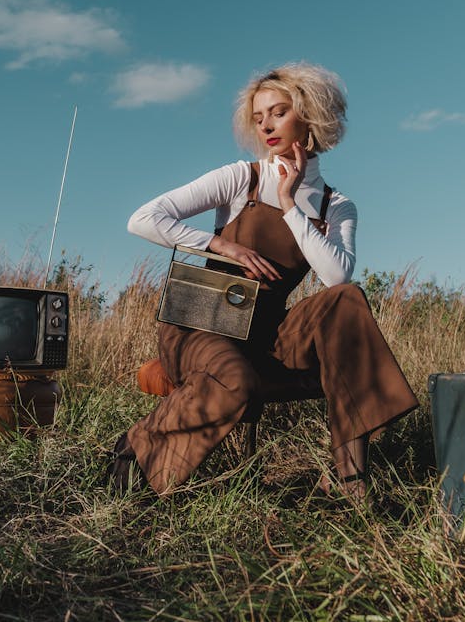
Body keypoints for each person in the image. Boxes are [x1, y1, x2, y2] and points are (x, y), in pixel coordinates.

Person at [111, 62, 418, 498]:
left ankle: (348, 477)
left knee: (346, 300)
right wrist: (221, 246)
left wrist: (292, 204)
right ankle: (133, 459)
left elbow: (336, 276)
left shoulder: (336, 205)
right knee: (235, 377)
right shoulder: (242, 177)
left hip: (265, 333)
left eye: (278, 112)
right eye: (259, 118)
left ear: (310, 115)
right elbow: (143, 219)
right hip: (201, 324)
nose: (267, 127)